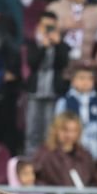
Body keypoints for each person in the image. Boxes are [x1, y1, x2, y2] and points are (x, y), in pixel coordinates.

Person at [25, 11, 72, 156]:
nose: (48, 29)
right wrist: (43, 47)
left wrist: (57, 45)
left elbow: (63, 63)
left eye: (52, 26)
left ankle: (47, 159)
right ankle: (31, 158)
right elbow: (32, 63)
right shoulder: (33, 43)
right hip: (35, 91)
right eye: (46, 26)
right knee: (32, 128)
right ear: (39, 26)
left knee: (49, 128)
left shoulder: (62, 45)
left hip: (53, 91)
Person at [33, 112, 97, 194]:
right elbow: (35, 180)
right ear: (56, 130)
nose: (69, 135)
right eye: (65, 130)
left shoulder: (85, 155)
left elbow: (95, 181)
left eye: (74, 130)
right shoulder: (45, 154)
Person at [54, 64, 97, 163]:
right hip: (72, 149)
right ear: (73, 81)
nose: (85, 82)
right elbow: (58, 126)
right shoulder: (64, 101)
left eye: (89, 79)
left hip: (95, 150)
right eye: (81, 78)